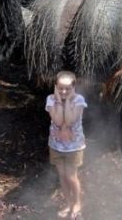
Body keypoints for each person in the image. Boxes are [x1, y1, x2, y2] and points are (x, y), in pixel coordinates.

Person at [46, 71, 87, 219]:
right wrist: (58, 100)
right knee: (62, 176)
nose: (64, 91)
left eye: (68, 88)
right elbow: (57, 121)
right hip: (56, 146)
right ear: (55, 86)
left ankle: (77, 204)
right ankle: (68, 204)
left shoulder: (79, 100)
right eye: (60, 88)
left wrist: (68, 100)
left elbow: (69, 121)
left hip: (74, 147)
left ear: (74, 88)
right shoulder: (51, 99)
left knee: (71, 176)